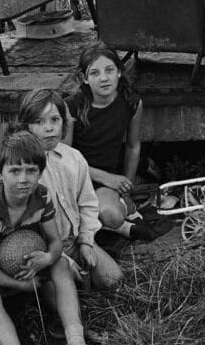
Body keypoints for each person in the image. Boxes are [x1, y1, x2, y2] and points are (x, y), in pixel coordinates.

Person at [0, 128, 89, 345]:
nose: (24, 179)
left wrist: (47, 258)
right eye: (15, 171)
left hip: (33, 263)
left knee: (61, 264)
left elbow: (55, 243)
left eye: (31, 171)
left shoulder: (42, 197)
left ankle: (76, 340)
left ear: (40, 173)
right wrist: (20, 285)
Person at [18, 88, 123, 291]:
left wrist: (86, 242)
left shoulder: (74, 158)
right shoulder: (25, 168)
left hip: (74, 240)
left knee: (114, 280)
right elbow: (23, 226)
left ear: (63, 123)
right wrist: (59, 258)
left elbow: (88, 204)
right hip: (42, 250)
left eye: (54, 120)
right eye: (39, 122)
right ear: (26, 127)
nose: (49, 128)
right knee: (61, 298)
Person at [65, 43, 153, 240]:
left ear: (119, 73)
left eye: (109, 70)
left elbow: (133, 146)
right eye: (94, 73)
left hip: (105, 184)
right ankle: (122, 229)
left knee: (112, 215)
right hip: (75, 179)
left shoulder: (131, 102)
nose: (104, 78)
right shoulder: (73, 106)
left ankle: (110, 221)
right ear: (84, 78)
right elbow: (64, 159)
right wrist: (105, 177)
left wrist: (126, 190)